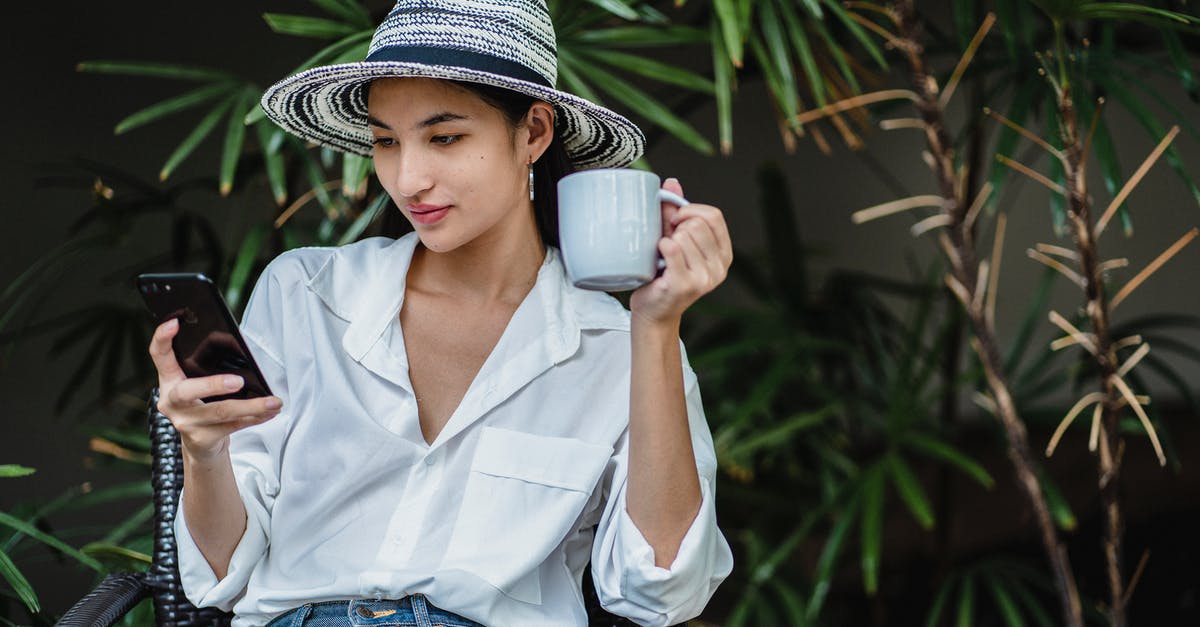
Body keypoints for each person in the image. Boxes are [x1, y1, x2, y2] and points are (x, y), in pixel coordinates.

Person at [147, 1, 734, 626]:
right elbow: (216, 575)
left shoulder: (617, 345)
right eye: (384, 141)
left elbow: (662, 593)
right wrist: (204, 450)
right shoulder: (305, 296)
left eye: (445, 137)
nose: (408, 179)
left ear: (534, 132)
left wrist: (656, 328)